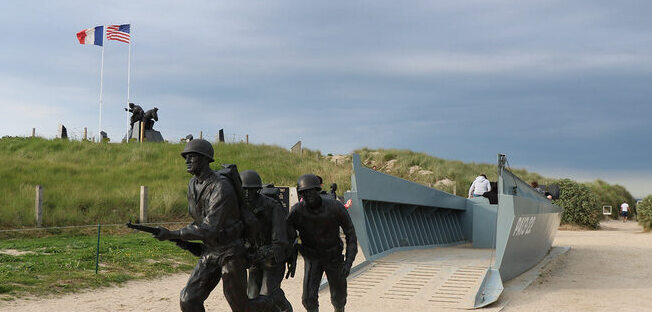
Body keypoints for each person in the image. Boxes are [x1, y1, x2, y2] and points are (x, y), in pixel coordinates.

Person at [153, 139, 276, 312]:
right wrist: (181, 238)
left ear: (205, 159)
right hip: (211, 250)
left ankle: (271, 304)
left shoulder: (221, 186)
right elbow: (199, 221)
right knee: (188, 300)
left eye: (192, 156)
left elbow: (209, 228)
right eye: (185, 157)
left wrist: (173, 234)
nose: (187, 160)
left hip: (231, 251)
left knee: (241, 307)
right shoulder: (193, 184)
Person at [287, 174, 357, 312]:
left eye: (311, 191)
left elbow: (351, 234)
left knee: (339, 298)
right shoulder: (296, 211)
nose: (308, 195)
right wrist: (291, 258)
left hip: (334, 257)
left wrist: (348, 262)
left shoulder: (335, 207)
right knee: (308, 300)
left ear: (318, 190)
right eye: (304, 193)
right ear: (300, 194)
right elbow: (287, 237)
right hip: (312, 258)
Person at [240, 170, 293, 312]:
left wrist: (261, 252)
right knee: (251, 297)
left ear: (257, 190)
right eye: (243, 190)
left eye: (250, 190)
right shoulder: (240, 208)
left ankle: (286, 309)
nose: (246, 194)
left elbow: (280, 242)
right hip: (254, 259)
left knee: (267, 294)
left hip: (273, 259)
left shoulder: (273, 206)